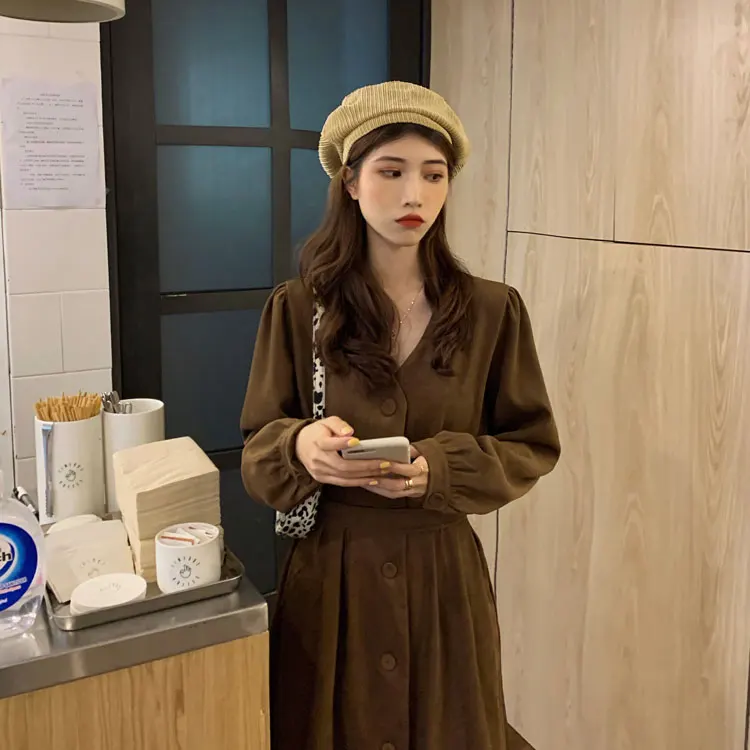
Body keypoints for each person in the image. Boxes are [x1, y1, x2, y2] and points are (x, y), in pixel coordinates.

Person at [240, 81, 561, 750]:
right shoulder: (298, 309)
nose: (415, 194)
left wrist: (440, 469)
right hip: (332, 586)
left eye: (433, 174)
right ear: (350, 181)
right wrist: (300, 448)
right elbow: (258, 454)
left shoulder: (492, 311)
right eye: (391, 172)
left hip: (444, 582)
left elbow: (531, 444)